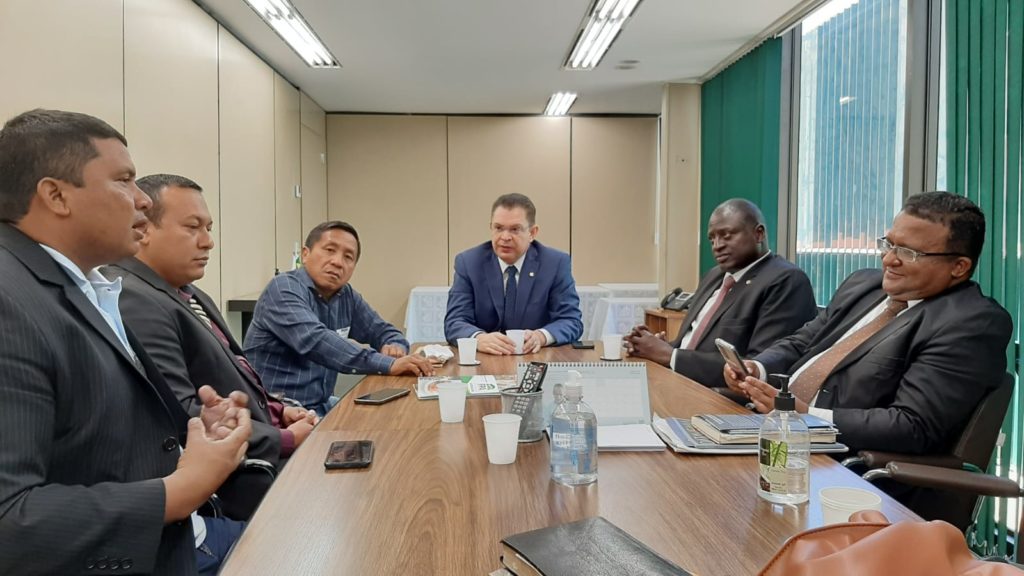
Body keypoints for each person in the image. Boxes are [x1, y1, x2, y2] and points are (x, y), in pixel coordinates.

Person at [0, 109, 251, 575]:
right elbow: (11, 519)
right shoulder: (8, 298)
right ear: (55, 195)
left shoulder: (87, 286)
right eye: (124, 180)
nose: (142, 201)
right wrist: (180, 490)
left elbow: (89, 433)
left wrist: (194, 434)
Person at [724, 191, 1012, 455]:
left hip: (846, 466)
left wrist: (807, 417)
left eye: (909, 253)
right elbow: (802, 342)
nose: (889, 260)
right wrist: (756, 368)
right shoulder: (863, 285)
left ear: (959, 267)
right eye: (889, 244)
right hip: (775, 433)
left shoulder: (971, 323)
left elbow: (911, 426)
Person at [106, 174, 318, 519]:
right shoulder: (134, 297)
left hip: (263, 440)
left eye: (209, 228)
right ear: (144, 228)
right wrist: (284, 440)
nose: (207, 242)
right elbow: (182, 412)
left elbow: (231, 371)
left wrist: (279, 411)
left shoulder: (186, 291)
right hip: (233, 487)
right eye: (193, 227)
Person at [244, 221, 435, 416]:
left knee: (394, 418)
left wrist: (395, 346)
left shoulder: (346, 295)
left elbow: (382, 330)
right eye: (329, 250)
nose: (337, 262)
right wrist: (389, 364)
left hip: (320, 404)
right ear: (305, 254)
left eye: (348, 257)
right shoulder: (283, 288)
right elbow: (317, 341)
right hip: (277, 410)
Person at [624, 199, 817, 389]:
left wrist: (670, 356)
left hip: (724, 401)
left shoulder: (785, 280)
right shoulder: (713, 275)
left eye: (726, 235)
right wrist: (657, 346)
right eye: (712, 238)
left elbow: (759, 366)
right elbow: (694, 344)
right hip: (679, 381)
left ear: (759, 234)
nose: (717, 245)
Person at [444, 193, 584, 354]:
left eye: (515, 229)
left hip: (535, 359)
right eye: (498, 228)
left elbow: (571, 321)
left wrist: (541, 336)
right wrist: (478, 338)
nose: (505, 237)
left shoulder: (555, 263)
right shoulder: (469, 262)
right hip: (483, 360)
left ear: (532, 232)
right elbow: (455, 321)